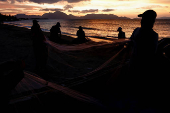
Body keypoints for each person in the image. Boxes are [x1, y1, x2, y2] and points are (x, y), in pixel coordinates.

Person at [128, 9, 158, 108]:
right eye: (142, 19)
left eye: (144, 19)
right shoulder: (137, 30)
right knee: (132, 86)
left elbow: (150, 54)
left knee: (140, 87)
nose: (141, 21)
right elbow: (130, 43)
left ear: (151, 21)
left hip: (143, 67)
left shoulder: (153, 35)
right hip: (132, 63)